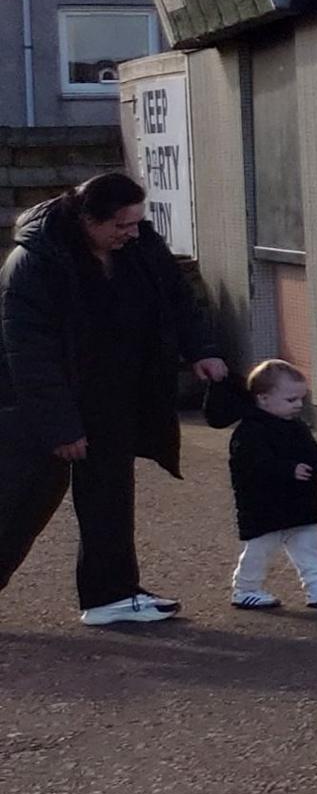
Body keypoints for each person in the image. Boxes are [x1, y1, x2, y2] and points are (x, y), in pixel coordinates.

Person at [0, 171, 230, 625]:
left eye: (136, 223)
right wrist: (61, 427)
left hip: (113, 391)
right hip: (43, 398)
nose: (131, 233)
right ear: (88, 219)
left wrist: (202, 350)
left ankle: (110, 594)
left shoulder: (141, 244)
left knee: (110, 491)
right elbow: (29, 353)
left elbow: (177, 297)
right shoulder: (33, 263)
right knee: (24, 497)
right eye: (120, 226)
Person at [223, 359, 317, 610]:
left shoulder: (296, 427)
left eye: (300, 399)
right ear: (263, 399)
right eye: (291, 400)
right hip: (266, 507)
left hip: (301, 504)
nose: (298, 405)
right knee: (259, 550)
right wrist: (288, 469)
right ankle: (245, 589)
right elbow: (253, 465)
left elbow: (315, 455)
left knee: (310, 545)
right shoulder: (250, 431)